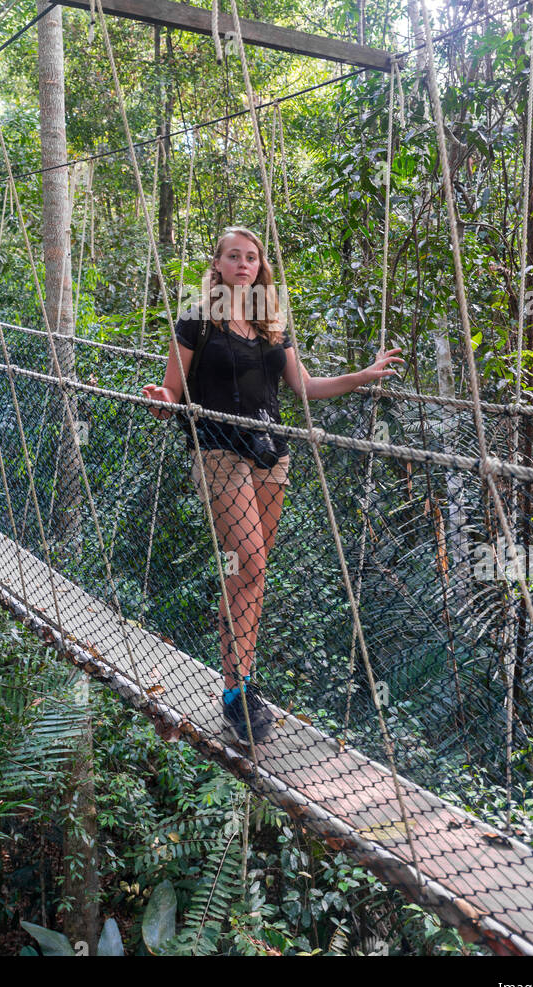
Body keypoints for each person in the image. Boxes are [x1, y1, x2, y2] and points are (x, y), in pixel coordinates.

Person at [142, 226, 403, 746]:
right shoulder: (197, 320)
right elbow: (173, 388)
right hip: (217, 448)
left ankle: (240, 685)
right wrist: (161, 399)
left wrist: (363, 375)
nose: (243, 264)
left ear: (261, 267)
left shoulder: (270, 326)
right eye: (233, 257)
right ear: (216, 265)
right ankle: (238, 689)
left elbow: (303, 387)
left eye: (252, 257)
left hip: (271, 454)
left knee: (248, 576)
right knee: (249, 560)